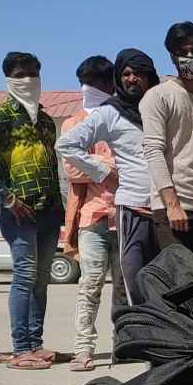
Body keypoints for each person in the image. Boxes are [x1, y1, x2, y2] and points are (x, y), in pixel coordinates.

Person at [0, 51, 65, 370]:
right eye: (21, 75)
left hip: (49, 209)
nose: (29, 80)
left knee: (41, 280)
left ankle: (35, 343)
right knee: (24, 276)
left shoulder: (47, 120)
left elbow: (52, 163)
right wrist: (6, 196)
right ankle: (21, 348)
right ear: (8, 78)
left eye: (34, 73)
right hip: (19, 211)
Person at [57, 49, 161, 307]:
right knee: (130, 286)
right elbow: (66, 145)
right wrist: (104, 171)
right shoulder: (110, 113)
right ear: (117, 79)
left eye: (139, 73)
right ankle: (129, 345)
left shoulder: (158, 108)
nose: (132, 79)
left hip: (165, 210)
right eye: (126, 74)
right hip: (131, 210)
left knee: (161, 285)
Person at [60, 56, 127, 372]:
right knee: (90, 284)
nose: (90, 89)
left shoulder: (121, 120)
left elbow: (132, 164)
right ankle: (83, 348)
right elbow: (72, 168)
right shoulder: (73, 124)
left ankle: (124, 345)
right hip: (91, 218)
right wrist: (107, 168)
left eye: (97, 83)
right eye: (86, 83)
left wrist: (97, 166)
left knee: (125, 287)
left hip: (126, 215)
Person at [142, 21, 193, 257]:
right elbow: (153, 151)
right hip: (174, 211)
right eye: (183, 52)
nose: (190, 57)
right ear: (172, 58)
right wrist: (172, 205)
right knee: (178, 282)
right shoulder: (159, 96)